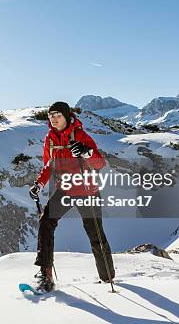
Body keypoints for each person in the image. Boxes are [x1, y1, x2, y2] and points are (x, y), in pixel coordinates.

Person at [29, 101, 115, 292]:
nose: (53, 118)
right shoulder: (50, 139)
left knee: (95, 234)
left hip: (87, 190)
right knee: (46, 222)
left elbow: (100, 163)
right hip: (65, 188)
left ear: (67, 117)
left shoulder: (81, 136)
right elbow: (49, 165)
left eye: (57, 115)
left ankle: (107, 277)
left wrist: (86, 152)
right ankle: (46, 275)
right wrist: (39, 183)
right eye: (50, 115)